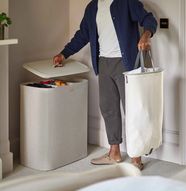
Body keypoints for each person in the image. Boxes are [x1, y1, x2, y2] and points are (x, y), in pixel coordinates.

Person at [53, 0, 157, 170]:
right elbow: (83, 34)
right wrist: (64, 54)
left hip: (126, 63)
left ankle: (136, 157)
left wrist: (146, 35)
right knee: (108, 108)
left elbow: (149, 19)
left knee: (132, 109)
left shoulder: (126, 2)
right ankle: (114, 152)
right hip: (103, 63)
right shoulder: (92, 7)